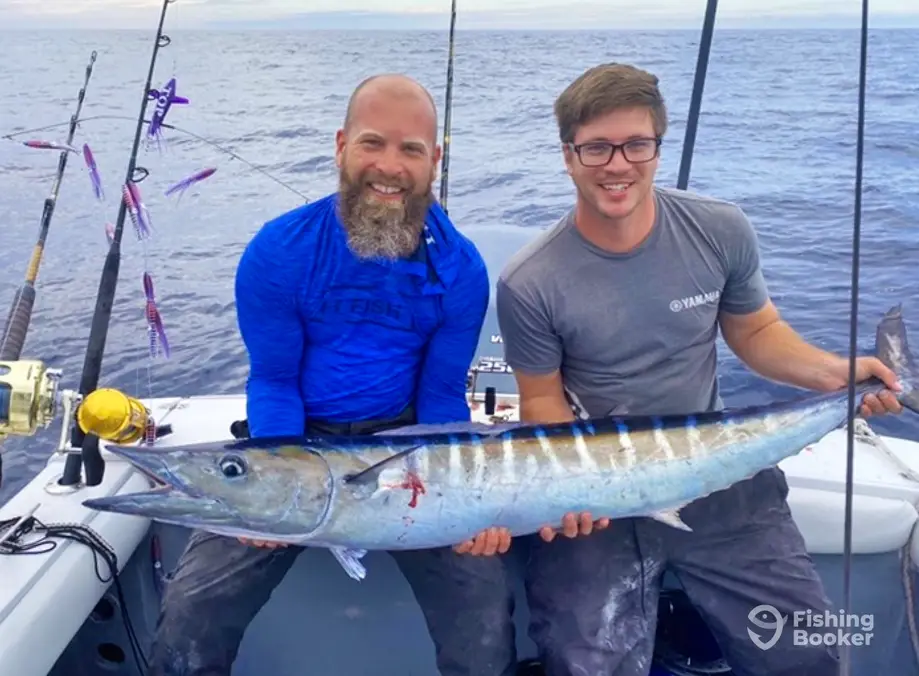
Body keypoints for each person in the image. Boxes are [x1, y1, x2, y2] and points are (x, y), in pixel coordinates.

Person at [495, 62, 904, 676]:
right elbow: (543, 404)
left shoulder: (720, 228)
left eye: (636, 144)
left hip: (718, 469)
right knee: (585, 665)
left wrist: (834, 375)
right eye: (597, 147)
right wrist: (570, 495)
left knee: (808, 656)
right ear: (568, 155)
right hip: (602, 493)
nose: (618, 164)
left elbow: (756, 332)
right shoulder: (529, 281)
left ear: (658, 147)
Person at [146, 73, 519, 676]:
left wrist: (464, 506)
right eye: (373, 143)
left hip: (406, 444)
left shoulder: (461, 268)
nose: (390, 167)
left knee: (481, 604)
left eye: (411, 150)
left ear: (434, 161)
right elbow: (273, 380)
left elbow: (441, 397)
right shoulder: (280, 251)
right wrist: (272, 485)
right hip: (293, 435)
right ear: (341, 145)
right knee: (194, 606)